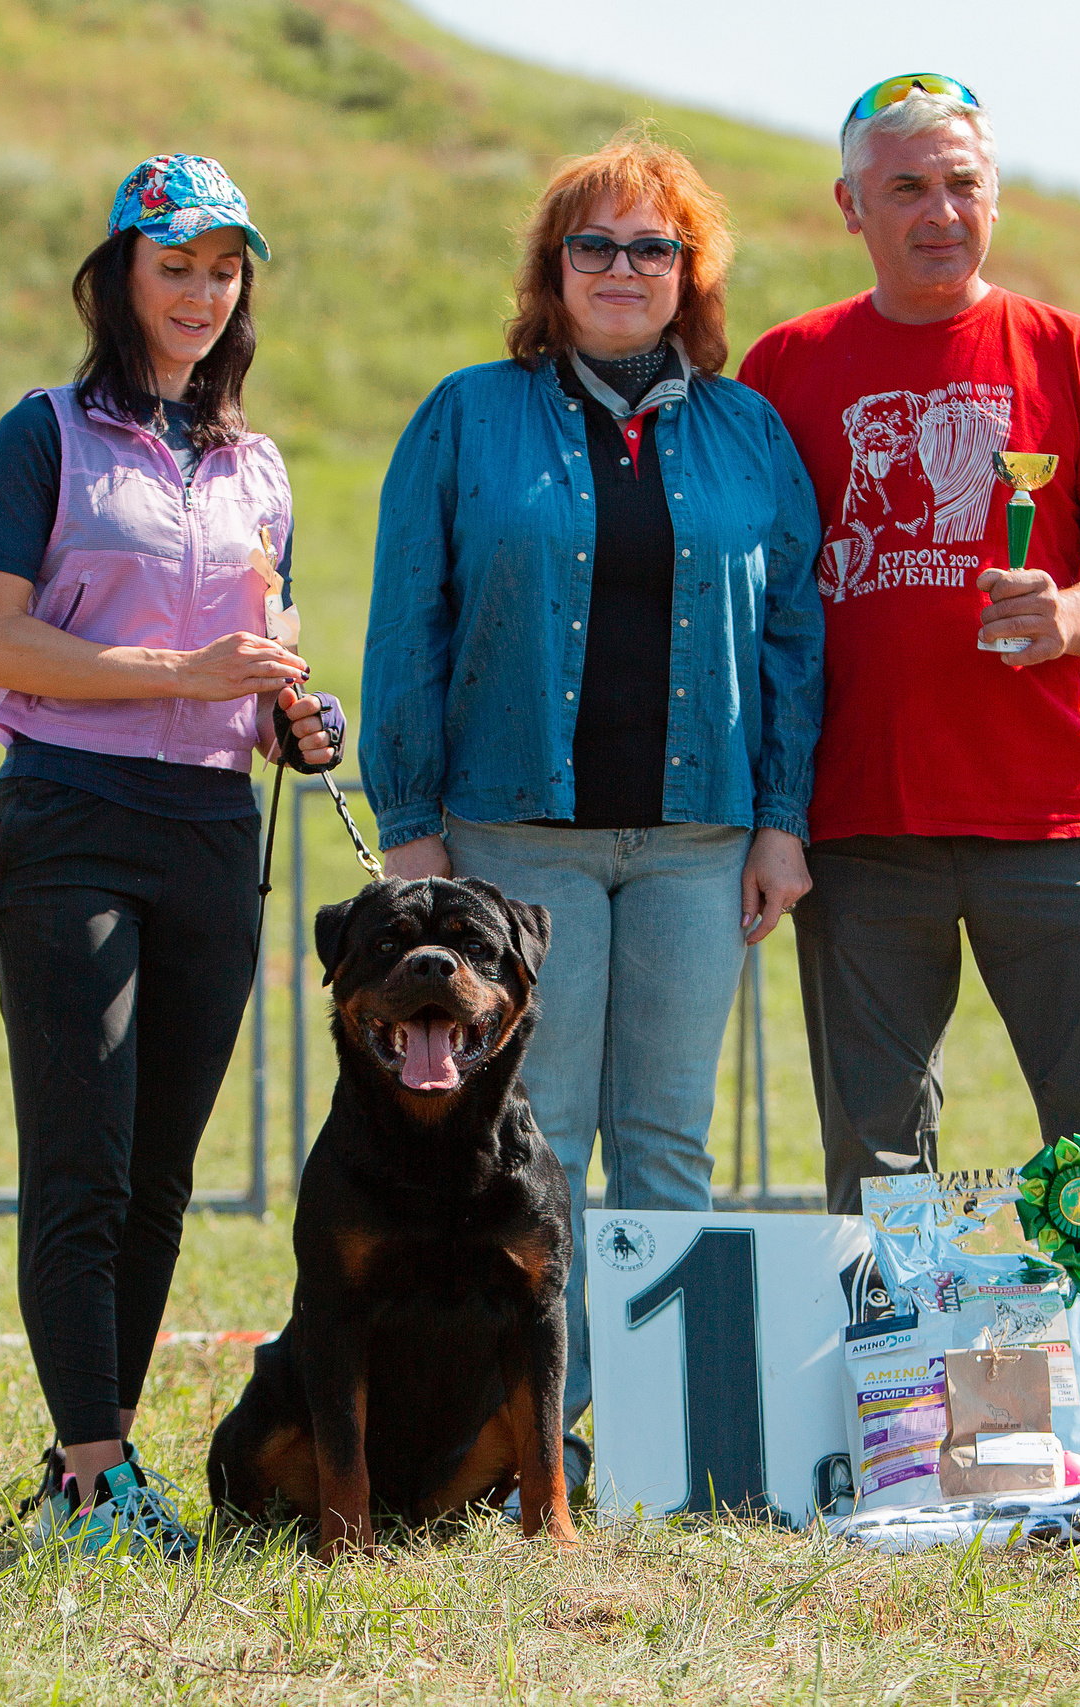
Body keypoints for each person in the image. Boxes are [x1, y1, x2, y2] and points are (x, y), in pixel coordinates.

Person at [362, 127, 825, 1487]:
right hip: (514, 847)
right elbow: (410, 620)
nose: (624, 267)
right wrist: (412, 823)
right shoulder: (465, 416)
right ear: (550, 270)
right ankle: (527, 1449)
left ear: (692, 274)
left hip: (699, 845)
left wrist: (782, 817)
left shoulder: (749, 433)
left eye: (654, 247)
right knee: (538, 1144)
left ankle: (662, 1450)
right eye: (595, 244)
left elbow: (795, 632)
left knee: (671, 1139)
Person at [736, 77, 1080, 1387]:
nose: (941, 213)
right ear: (850, 206)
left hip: (1052, 823)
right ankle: (901, 1417)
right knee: (881, 1150)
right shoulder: (786, 367)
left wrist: (1064, 614)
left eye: (963, 184)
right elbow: (760, 590)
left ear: (994, 195)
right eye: (907, 188)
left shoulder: (1078, 357)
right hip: (862, 825)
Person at [0, 154, 339, 1554]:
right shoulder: (42, 435)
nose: (199, 291)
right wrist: (183, 667)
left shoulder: (260, 466)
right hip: (69, 814)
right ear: (119, 274)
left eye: (224, 267)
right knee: (84, 1158)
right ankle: (98, 1464)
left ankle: (85, 1477)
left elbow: (266, 655)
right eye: (173, 263)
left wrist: (300, 716)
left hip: (210, 828)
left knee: (163, 1167)